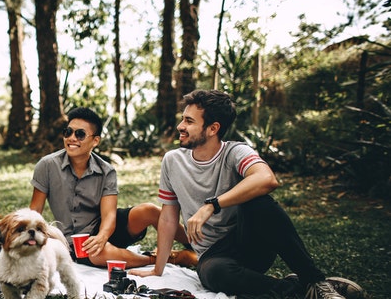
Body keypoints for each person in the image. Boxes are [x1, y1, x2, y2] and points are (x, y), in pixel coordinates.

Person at [129, 90, 362, 299]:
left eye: (189, 121)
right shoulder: (172, 160)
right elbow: (169, 217)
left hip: (250, 242)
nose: (181, 126)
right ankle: (296, 290)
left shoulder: (235, 152)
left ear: (213, 128)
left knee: (259, 202)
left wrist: (212, 205)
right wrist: (157, 270)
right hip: (213, 255)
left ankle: (315, 281)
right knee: (212, 274)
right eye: (183, 119)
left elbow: (267, 179)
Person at [29, 107, 197, 269]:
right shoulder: (47, 165)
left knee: (149, 210)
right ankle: (168, 258)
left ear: (95, 140)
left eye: (80, 134)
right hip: (74, 241)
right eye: (68, 132)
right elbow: (34, 211)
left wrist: (102, 236)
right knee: (98, 254)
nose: (71, 138)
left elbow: (109, 214)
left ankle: (197, 247)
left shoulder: (106, 171)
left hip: (105, 228)